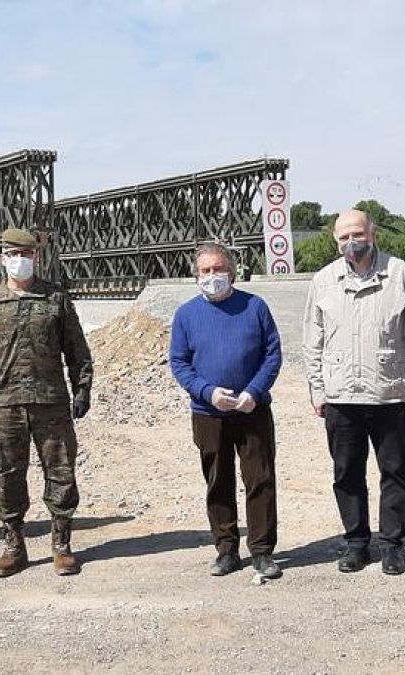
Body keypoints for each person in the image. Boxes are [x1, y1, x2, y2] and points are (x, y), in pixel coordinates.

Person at [302, 210, 405, 576]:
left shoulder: (400, 273)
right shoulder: (324, 280)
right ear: (335, 240)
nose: (351, 242)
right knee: (347, 473)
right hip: (342, 396)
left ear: (373, 233)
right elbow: (313, 341)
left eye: (357, 233)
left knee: (395, 471)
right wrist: (317, 388)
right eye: (343, 237)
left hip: (391, 394)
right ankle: (356, 542)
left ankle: (392, 544)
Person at [0, 228, 94, 577]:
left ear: (36, 257)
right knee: (8, 475)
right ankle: (14, 545)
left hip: (50, 401)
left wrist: (82, 388)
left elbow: (76, 348)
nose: (19, 259)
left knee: (61, 472)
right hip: (6, 404)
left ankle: (62, 544)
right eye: (12, 253)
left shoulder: (55, 297)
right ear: (1, 256)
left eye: (26, 253)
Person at [170, 242, 283, 578]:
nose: (212, 276)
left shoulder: (255, 306)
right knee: (218, 480)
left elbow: (272, 354)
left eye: (218, 269)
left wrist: (254, 391)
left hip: (253, 410)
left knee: (260, 479)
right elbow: (179, 362)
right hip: (208, 412)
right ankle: (226, 549)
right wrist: (207, 392)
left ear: (232, 271)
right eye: (205, 271)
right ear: (196, 275)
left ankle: (262, 551)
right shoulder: (186, 315)